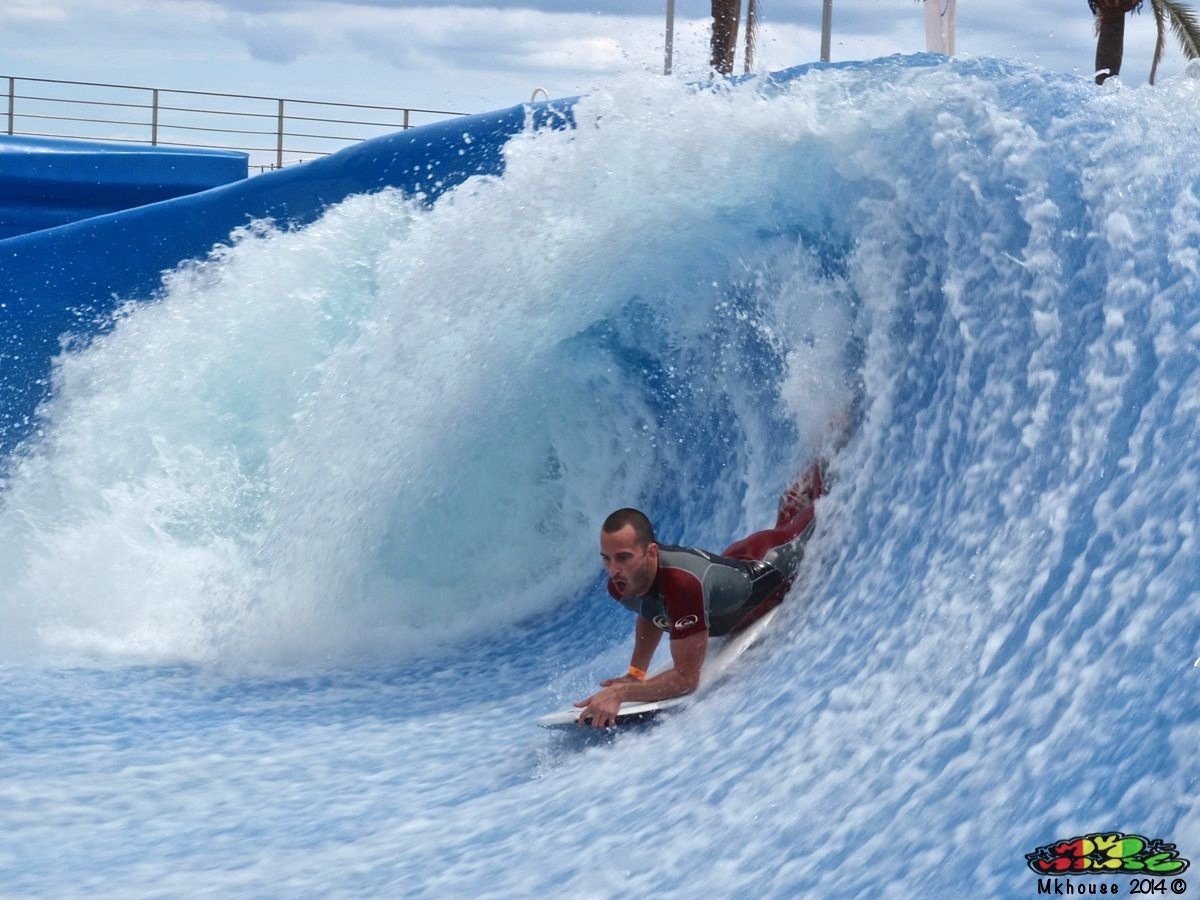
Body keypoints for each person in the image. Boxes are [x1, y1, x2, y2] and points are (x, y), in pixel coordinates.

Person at [574, 461, 826, 728]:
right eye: (607, 559)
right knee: (790, 513)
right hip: (728, 570)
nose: (614, 569)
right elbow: (648, 610)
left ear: (651, 552)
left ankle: (830, 451)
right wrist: (636, 674)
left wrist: (621, 693)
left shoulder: (682, 586)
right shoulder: (622, 583)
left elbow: (686, 679)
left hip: (768, 565)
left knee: (819, 508)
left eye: (623, 557)